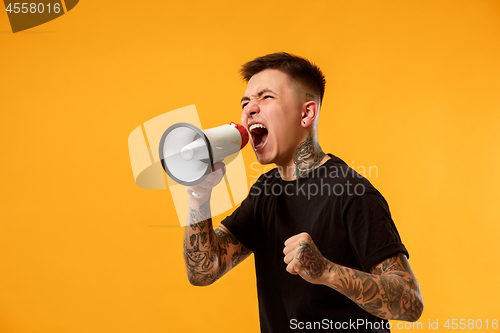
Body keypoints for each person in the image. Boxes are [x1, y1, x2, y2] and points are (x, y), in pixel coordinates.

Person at [183, 52, 424, 332]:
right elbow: (204, 271)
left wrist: (327, 271)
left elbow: (410, 302)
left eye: (266, 97)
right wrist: (199, 199)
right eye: (245, 102)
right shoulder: (265, 192)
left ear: (306, 113)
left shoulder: (352, 192)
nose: (249, 109)